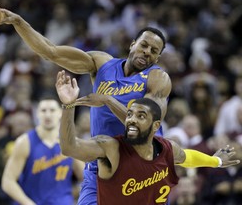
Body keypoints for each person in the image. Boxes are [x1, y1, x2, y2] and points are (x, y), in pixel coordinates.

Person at [1, 10, 171, 204]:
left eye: (154, 51)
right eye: (144, 45)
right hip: (100, 161)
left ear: (157, 59)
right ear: (133, 44)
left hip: (142, 166)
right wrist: (19, 22)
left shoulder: (158, 79)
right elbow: (50, 52)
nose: (147, 52)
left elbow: (145, 129)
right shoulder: (102, 64)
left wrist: (108, 100)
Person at [55, 71, 240, 205]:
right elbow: (69, 148)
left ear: (156, 126)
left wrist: (216, 161)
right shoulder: (110, 147)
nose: (132, 120)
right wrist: (68, 106)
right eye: (129, 115)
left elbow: (187, 158)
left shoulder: (167, 148)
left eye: (141, 116)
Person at [1, 97, 84, 205]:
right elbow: (8, 181)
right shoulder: (24, 142)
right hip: (33, 201)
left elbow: (86, 177)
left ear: (60, 113)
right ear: (37, 114)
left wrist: (78, 193)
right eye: (43, 110)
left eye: (52, 110)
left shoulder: (71, 142)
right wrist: (28, 203)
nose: (48, 115)